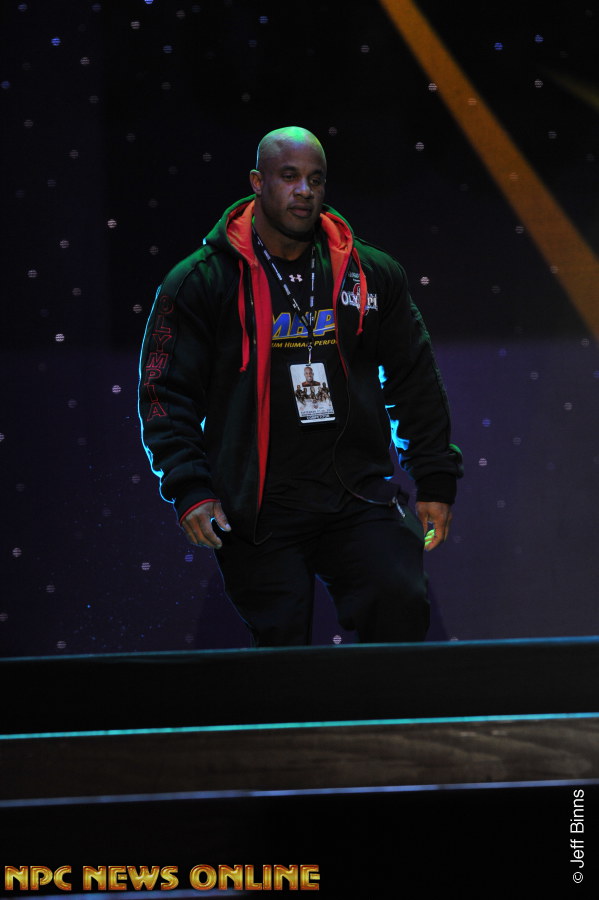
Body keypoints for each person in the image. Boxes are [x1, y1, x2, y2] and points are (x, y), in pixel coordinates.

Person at [138, 125, 463, 647]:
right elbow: (164, 392)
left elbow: (414, 377)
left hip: (356, 493)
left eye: (315, 179)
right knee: (282, 653)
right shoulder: (202, 281)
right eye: (289, 177)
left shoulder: (369, 273)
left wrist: (435, 477)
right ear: (258, 182)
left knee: (400, 602)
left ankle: (383, 707)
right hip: (257, 508)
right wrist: (190, 489)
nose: (304, 191)